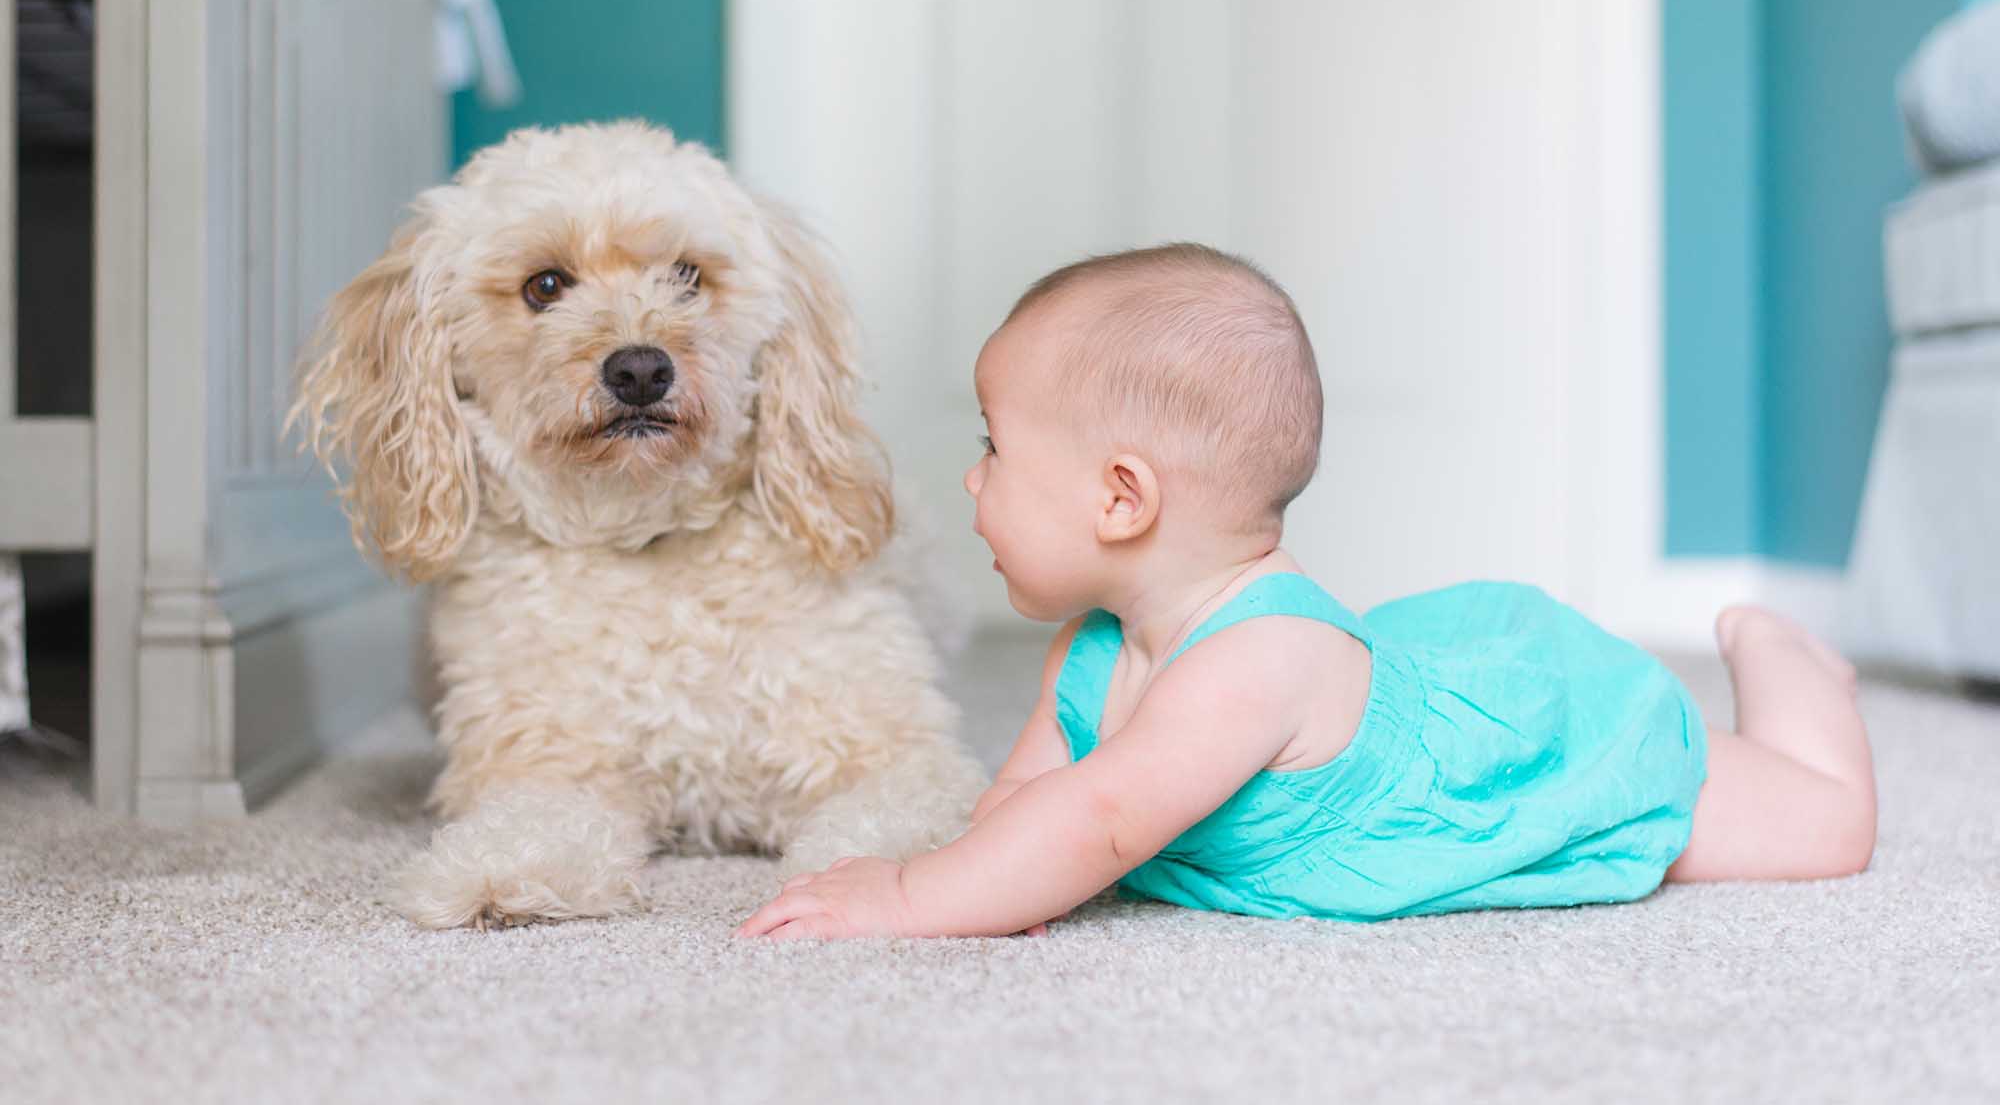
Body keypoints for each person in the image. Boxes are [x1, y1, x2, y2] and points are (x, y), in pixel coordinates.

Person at [737, 243, 1877, 939]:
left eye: (996, 451)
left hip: (1524, 745)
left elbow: (1095, 821)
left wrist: (906, 900)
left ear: (1120, 500)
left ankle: (1785, 663)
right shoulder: (1090, 649)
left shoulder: (1250, 665)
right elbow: (1029, 807)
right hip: (1394, 682)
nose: (972, 479)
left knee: (1824, 829)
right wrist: (981, 879)